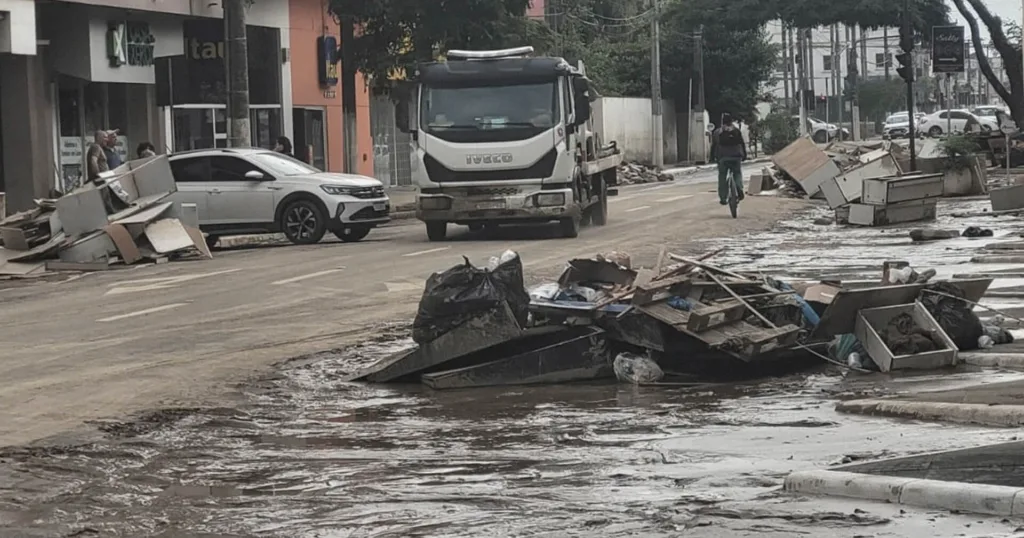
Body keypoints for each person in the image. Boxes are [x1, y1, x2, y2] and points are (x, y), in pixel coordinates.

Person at [711, 113, 747, 206]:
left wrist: (712, 157)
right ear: (731, 121)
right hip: (736, 157)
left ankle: (723, 198)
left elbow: (713, 146)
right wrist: (744, 155)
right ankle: (739, 188)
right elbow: (742, 143)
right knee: (737, 173)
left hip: (723, 158)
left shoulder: (717, 132)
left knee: (722, 176)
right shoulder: (736, 131)